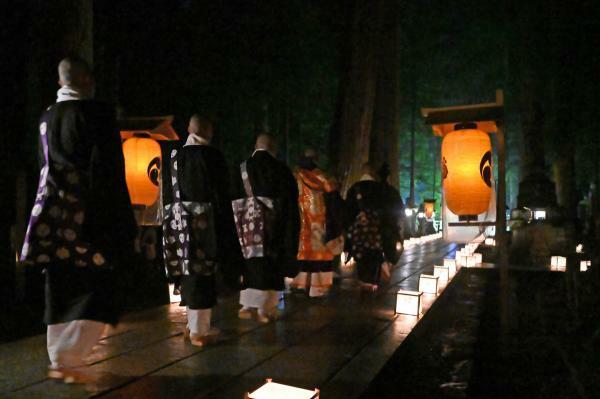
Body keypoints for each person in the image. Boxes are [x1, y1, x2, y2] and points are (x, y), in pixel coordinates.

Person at [20, 57, 137, 383]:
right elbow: (108, 171)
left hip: (51, 214)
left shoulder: (47, 116)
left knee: (59, 283)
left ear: (62, 82)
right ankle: (69, 360)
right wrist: (123, 222)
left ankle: (58, 357)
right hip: (89, 215)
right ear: (85, 79)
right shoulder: (96, 114)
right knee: (99, 284)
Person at [163, 114, 242, 346]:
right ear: (209, 133)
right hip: (203, 221)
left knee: (187, 269)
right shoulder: (211, 156)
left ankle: (192, 325)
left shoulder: (174, 157)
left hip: (175, 221)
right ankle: (199, 330)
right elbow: (220, 194)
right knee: (202, 273)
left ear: (189, 129)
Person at [232, 133, 300, 323]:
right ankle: (266, 309)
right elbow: (291, 207)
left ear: (255, 146)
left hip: (245, 228)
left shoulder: (240, 169)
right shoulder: (282, 171)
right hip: (273, 227)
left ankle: (246, 304)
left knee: (249, 262)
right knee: (271, 264)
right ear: (273, 149)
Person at [290, 148, 341, 297]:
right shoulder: (325, 178)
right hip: (321, 222)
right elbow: (334, 201)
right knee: (319, 254)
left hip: (301, 220)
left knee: (303, 253)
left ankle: (301, 284)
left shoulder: (295, 177)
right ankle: (317, 288)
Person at [344, 162, 400, 291]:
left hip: (358, 231)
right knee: (374, 254)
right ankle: (373, 280)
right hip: (377, 230)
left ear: (362, 172)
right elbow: (391, 211)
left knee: (361, 254)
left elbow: (348, 212)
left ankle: (364, 280)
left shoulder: (354, 189)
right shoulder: (381, 189)